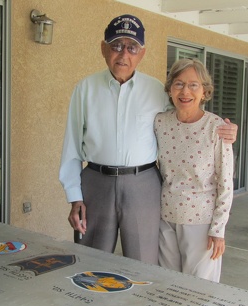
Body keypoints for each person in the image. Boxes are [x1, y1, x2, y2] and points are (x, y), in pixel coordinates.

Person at [59, 14, 237, 265]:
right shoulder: (85, 89)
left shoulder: (157, 90)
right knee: (90, 260)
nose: (123, 54)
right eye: (116, 45)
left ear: (142, 53)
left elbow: (187, 114)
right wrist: (74, 197)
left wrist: (224, 128)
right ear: (103, 48)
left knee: (144, 263)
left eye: (132, 47)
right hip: (96, 185)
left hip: (143, 184)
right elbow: (72, 148)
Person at [154, 58, 234, 282]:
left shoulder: (217, 128)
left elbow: (226, 183)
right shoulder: (160, 122)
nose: (185, 91)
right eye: (178, 84)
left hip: (201, 222)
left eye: (193, 85)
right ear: (170, 89)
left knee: (199, 290)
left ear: (204, 91)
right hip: (165, 218)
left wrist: (218, 230)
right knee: (168, 285)